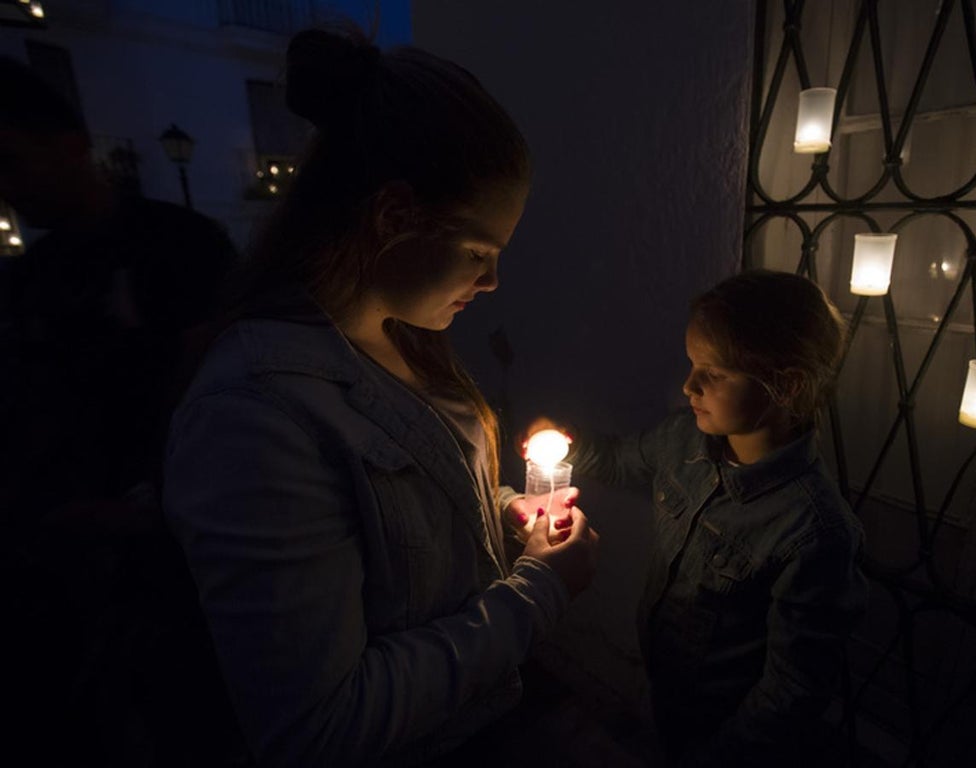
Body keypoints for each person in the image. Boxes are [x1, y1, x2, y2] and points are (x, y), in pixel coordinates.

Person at [162, 29, 599, 767]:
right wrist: (538, 594)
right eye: (479, 253)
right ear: (395, 215)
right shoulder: (255, 416)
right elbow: (315, 728)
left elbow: (389, 522)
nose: (492, 283)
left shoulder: (402, 338)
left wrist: (496, 514)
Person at [519, 270, 868, 766]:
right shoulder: (683, 441)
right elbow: (621, 460)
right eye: (691, 365)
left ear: (785, 386)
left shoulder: (813, 532)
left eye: (714, 373)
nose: (688, 386)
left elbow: (793, 689)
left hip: (728, 732)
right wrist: (563, 437)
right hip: (667, 690)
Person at [0, 57, 239, 765]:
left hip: (168, 565)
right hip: (61, 571)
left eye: (10, 161)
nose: (6, 188)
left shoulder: (182, 248)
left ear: (70, 144)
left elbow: (222, 399)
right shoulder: (30, 280)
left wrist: (145, 508)